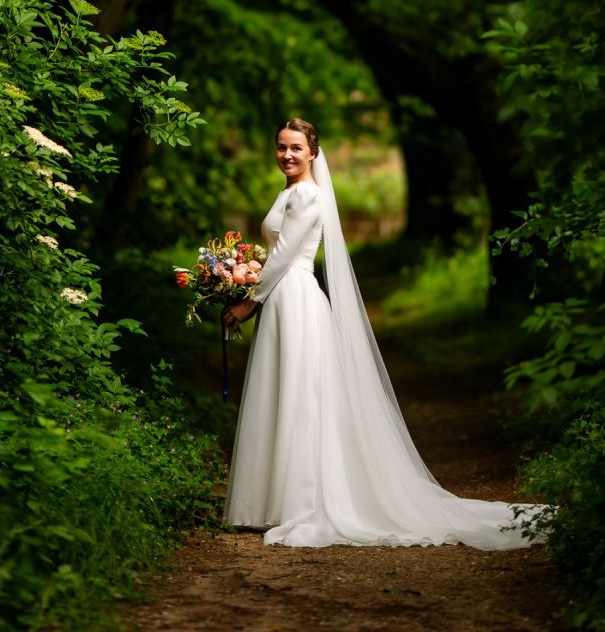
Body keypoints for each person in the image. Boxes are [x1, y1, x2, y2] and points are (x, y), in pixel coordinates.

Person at [222, 118, 550, 549]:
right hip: (284, 297)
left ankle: (299, 502)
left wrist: (249, 300)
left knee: (300, 394)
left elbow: (284, 255)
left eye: (296, 148)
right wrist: (239, 276)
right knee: (285, 392)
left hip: (294, 297)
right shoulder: (289, 191)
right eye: (281, 147)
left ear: (313, 153)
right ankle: (274, 501)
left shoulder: (306, 193)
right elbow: (277, 254)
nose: (287, 155)